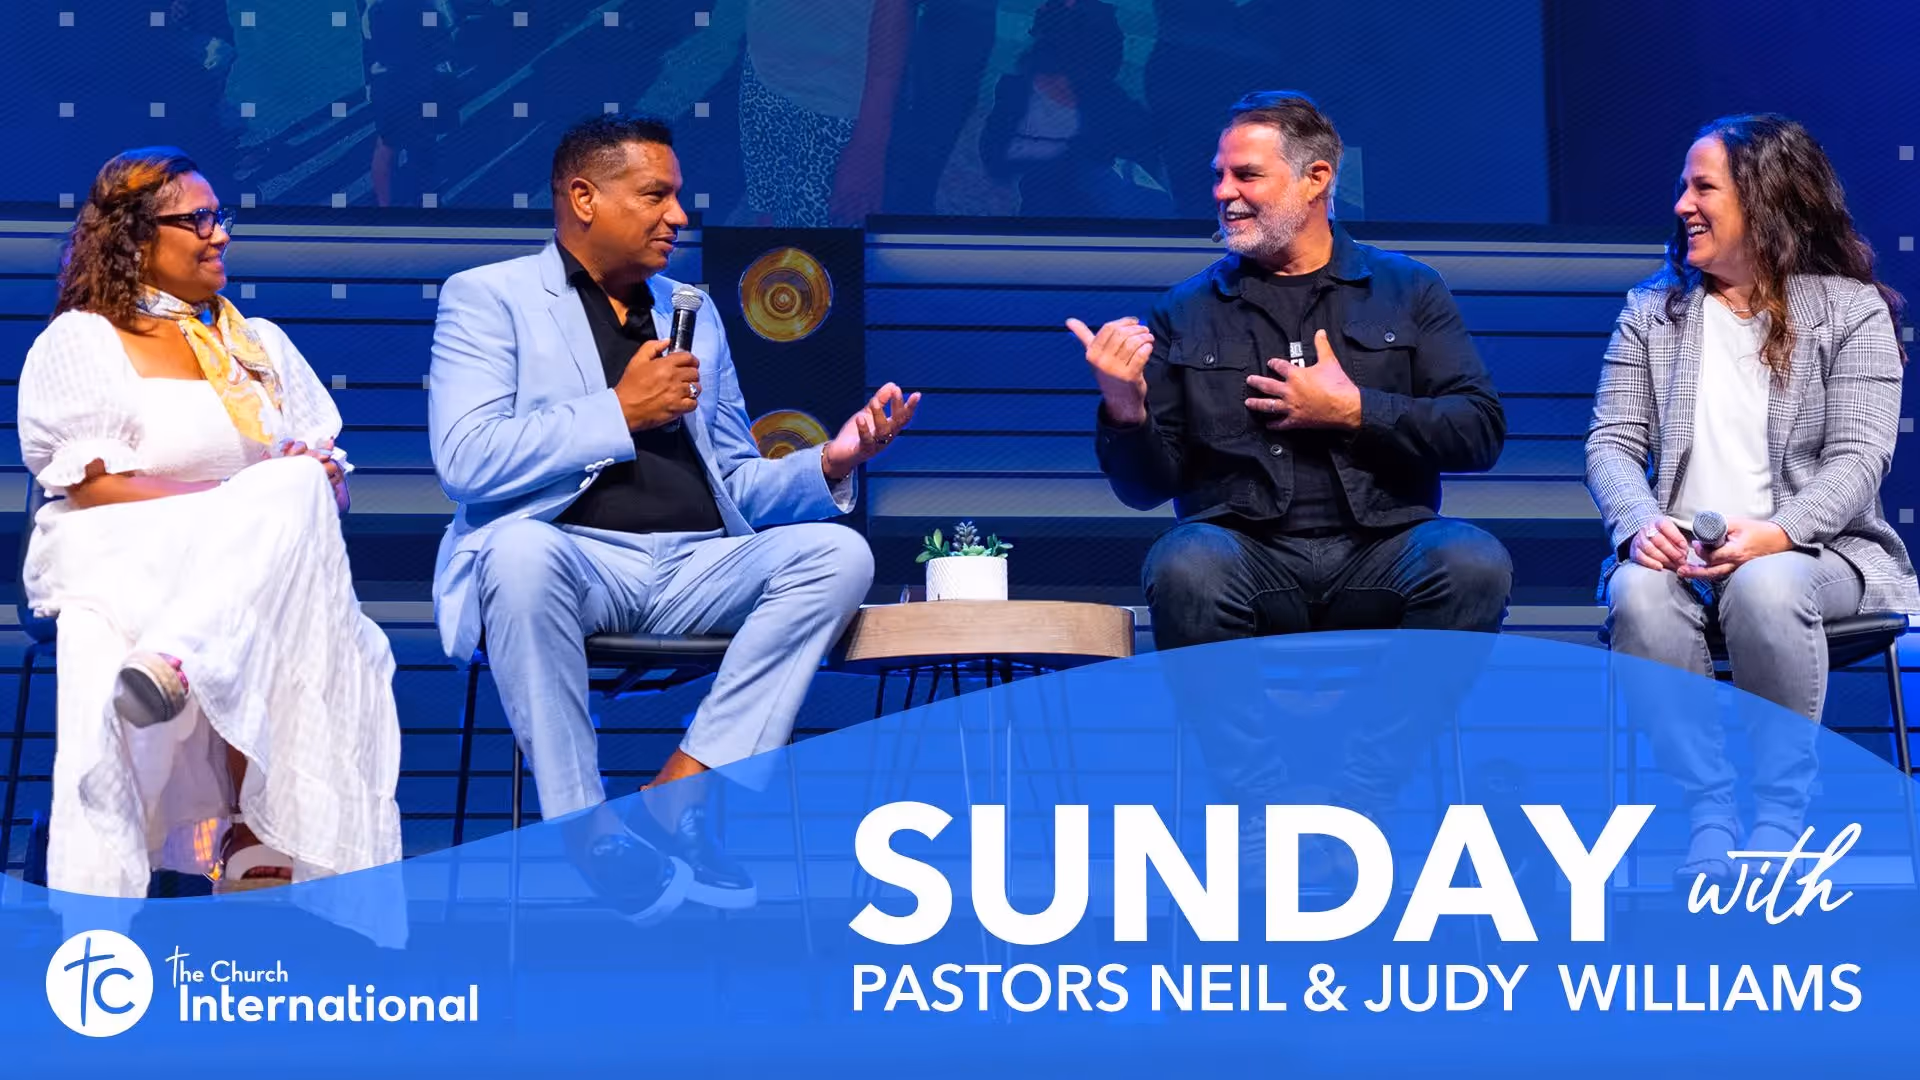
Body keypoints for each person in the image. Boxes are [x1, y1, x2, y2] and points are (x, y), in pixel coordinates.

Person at [428, 114, 919, 921]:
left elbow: (734, 479)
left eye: (677, 196)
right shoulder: (490, 298)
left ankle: (681, 791)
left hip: (695, 563)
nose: (678, 216)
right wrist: (618, 412)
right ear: (584, 198)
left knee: (838, 557)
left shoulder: (693, 310)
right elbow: (467, 460)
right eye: (655, 195)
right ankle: (587, 831)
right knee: (514, 553)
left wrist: (831, 462)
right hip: (571, 557)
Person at [1065, 90, 1510, 843]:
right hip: (1246, 554)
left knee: (1472, 561)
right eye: (1218, 175)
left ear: (1316, 180)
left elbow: (1480, 431)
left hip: (1382, 550)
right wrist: (1125, 408)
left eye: (1246, 175)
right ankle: (1260, 814)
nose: (1223, 193)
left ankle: (1361, 795)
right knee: (1185, 563)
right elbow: (1147, 488)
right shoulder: (1185, 310)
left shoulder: (1408, 289)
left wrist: (1356, 410)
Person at [16, 147, 403, 900]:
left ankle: (179, 666)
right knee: (278, 513)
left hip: (242, 557)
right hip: (121, 543)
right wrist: (240, 499)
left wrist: (318, 484)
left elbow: (323, 501)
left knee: (296, 493)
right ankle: (248, 832)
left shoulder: (261, 345)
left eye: (218, 216)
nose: (219, 233)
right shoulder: (87, 339)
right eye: (196, 219)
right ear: (135, 237)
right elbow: (93, 487)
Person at [1586, 114, 1919, 880]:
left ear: (1765, 200)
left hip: (1818, 555)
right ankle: (1709, 813)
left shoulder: (1851, 311)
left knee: (1766, 585)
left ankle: (1778, 816)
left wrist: (1778, 533)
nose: (1682, 204)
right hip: (1683, 556)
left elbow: (1859, 458)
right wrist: (1639, 525)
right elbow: (1610, 444)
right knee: (1637, 593)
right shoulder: (1652, 311)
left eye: (1703, 188)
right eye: (1683, 187)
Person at [978, 0, 1165, 218]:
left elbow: (995, 159)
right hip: (1092, 224)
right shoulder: (1124, 112)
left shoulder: (1016, 92)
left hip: (1055, 220)